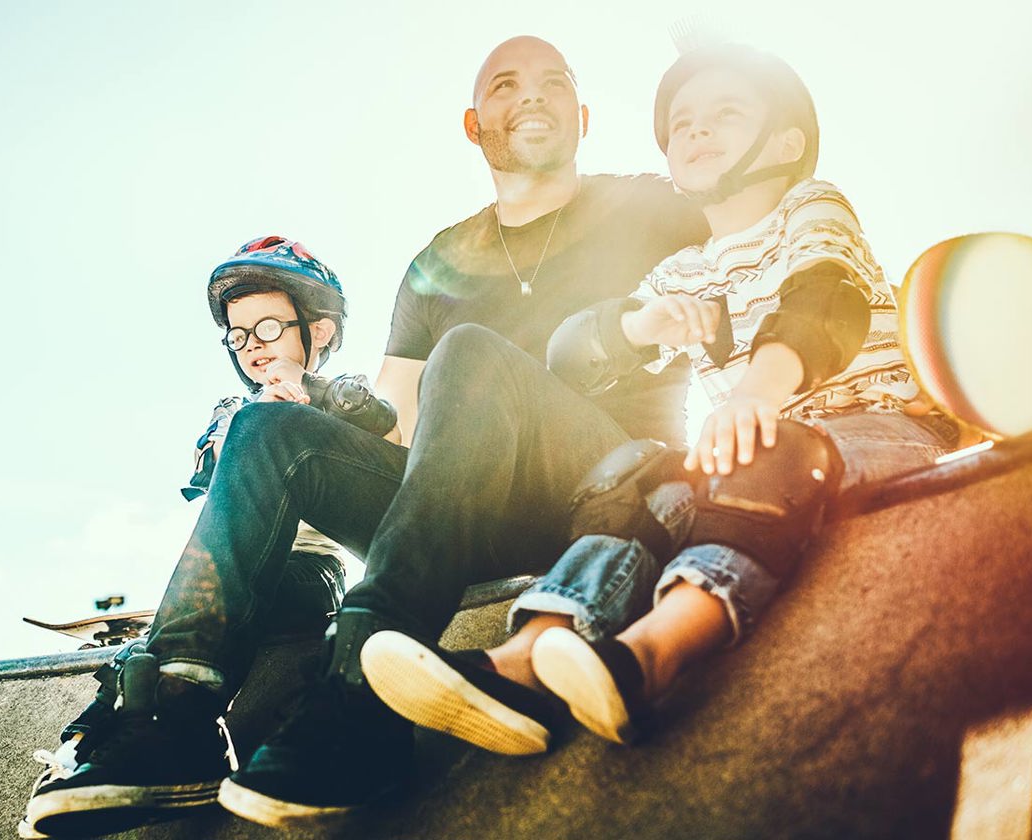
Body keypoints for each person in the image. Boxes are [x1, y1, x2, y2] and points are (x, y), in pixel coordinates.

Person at [359, 43, 958, 756]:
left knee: (764, 448)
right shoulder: (688, 269)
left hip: (881, 425)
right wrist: (643, 324)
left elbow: (824, 302)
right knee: (641, 477)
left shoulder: (810, 205)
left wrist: (760, 392)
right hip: (757, 444)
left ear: (787, 142)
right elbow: (570, 352)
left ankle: (648, 656)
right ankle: (527, 661)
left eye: (725, 114)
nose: (697, 131)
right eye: (681, 125)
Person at [214, 36, 707, 827]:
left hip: (606, 488)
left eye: (554, 84)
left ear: (583, 116)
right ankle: (163, 706)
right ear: (475, 126)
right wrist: (309, 406)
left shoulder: (652, 205)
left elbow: (768, 220)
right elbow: (401, 427)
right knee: (271, 429)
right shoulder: (435, 264)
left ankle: (360, 697)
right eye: (507, 86)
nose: (533, 96)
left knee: (472, 354)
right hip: (465, 508)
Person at [22, 235, 399, 838]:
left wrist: (314, 406)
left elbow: (386, 438)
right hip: (238, 577)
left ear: (319, 332)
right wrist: (255, 423)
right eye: (239, 334)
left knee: (276, 551)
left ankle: (178, 723)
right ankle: (110, 726)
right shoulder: (231, 410)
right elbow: (217, 485)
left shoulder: (347, 395)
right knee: (154, 639)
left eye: (270, 327)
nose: (252, 347)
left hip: (311, 575)